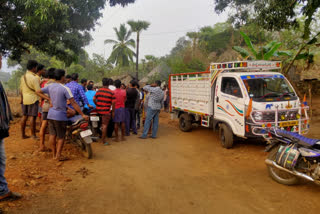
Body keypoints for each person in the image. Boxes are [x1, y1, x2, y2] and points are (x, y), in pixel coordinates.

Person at [37, 69, 88, 161]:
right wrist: (82, 114)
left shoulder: (50, 86)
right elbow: (73, 103)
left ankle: (54, 155)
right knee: (61, 137)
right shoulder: (64, 88)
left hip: (50, 114)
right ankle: (58, 156)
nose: (65, 78)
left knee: (53, 135)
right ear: (62, 77)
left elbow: (37, 91)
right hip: (60, 116)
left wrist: (48, 99)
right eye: (64, 76)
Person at [0, 81, 22, 201]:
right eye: (0, 59)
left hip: (1, 127)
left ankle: (3, 190)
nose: (1, 61)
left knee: (1, 160)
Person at [20, 60, 40, 139]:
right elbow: (38, 91)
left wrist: (21, 99)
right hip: (33, 99)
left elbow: (21, 89)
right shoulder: (34, 78)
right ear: (34, 67)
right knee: (33, 117)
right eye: (36, 67)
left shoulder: (23, 77)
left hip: (25, 99)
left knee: (24, 116)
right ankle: (33, 135)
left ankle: (23, 135)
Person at [93, 78, 115, 145]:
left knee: (99, 124)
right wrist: (113, 111)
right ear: (108, 84)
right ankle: (103, 141)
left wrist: (97, 104)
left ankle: (100, 136)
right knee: (104, 125)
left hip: (98, 110)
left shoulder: (99, 91)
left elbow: (94, 99)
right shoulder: (111, 92)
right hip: (106, 111)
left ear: (102, 83)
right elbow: (113, 103)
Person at [39, 68, 56, 152]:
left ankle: (41, 145)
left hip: (45, 106)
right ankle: (52, 148)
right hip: (53, 107)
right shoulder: (56, 84)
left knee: (43, 126)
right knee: (52, 128)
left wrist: (47, 99)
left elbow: (39, 93)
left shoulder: (46, 84)